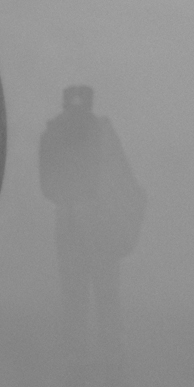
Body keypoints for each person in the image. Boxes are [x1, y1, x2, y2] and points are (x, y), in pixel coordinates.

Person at [36, 84, 144, 362]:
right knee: (96, 291)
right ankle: (103, 353)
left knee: (80, 291)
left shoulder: (56, 134)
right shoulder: (96, 133)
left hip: (82, 220)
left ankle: (85, 353)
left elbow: (47, 185)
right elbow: (123, 176)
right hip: (91, 220)